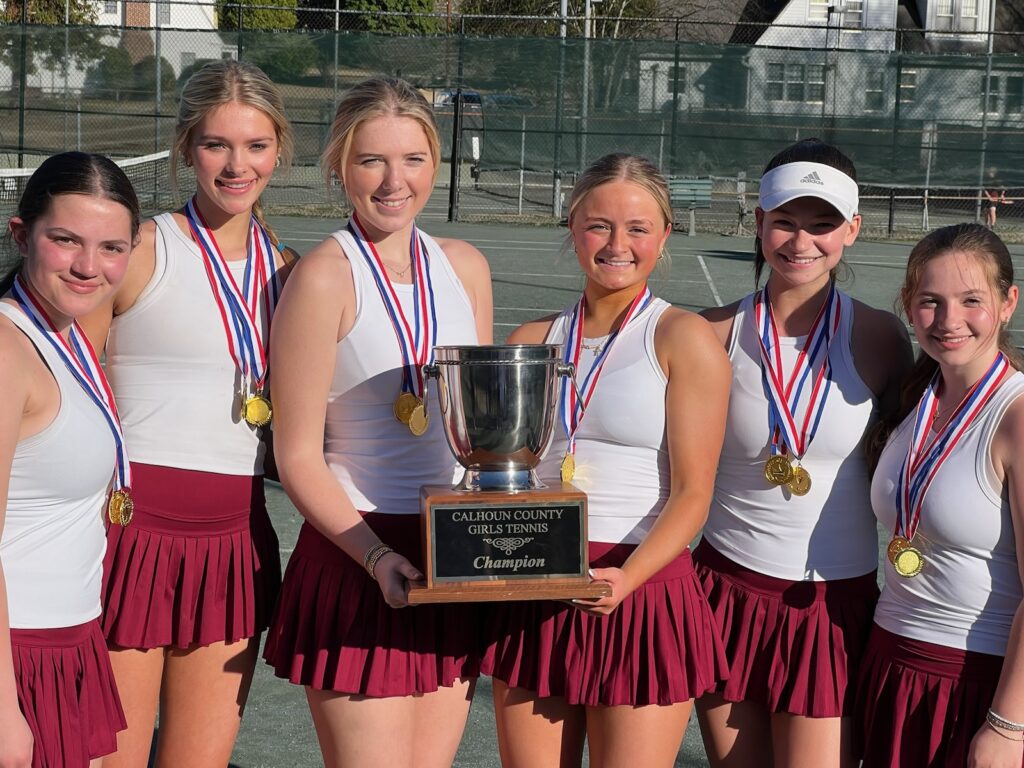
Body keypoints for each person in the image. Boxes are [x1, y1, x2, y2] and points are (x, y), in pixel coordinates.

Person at [262, 76, 493, 768]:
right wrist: (374, 556)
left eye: (414, 159)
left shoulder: (465, 267)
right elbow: (296, 453)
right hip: (360, 556)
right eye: (372, 161)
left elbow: (480, 437)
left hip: (450, 553)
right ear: (339, 168)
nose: (395, 181)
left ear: (436, 163)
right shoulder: (325, 276)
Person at [480, 153, 731, 768]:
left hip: (639, 591)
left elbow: (694, 493)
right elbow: (498, 476)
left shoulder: (682, 336)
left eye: (638, 229)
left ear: (665, 235)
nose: (617, 244)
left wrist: (629, 578)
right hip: (538, 584)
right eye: (599, 226)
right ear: (571, 227)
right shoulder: (530, 341)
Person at [79, 60, 295, 767]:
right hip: (131, 538)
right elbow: (72, 385)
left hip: (235, 542)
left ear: (280, 149)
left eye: (256, 146)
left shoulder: (293, 273)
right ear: (184, 149)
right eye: (216, 145)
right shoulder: (142, 248)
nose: (238, 166)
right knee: (112, 756)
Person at [694, 138, 913, 768]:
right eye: (785, 221)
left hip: (830, 607)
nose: (801, 241)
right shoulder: (709, 333)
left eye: (823, 225)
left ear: (853, 230)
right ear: (759, 221)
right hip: (725, 593)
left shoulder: (879, 335)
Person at [855, 223, 1024, 768]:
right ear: (909, 306)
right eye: (931, 302)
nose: (950, 321)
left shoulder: (1016, 417)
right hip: (890, 661)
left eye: (971, 300)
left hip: (975, 679)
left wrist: (1007, 726)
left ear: (1007, 303)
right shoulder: (915, 398)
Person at [0, 152, 140, 768]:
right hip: (19, 653)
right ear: (21, 233)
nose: (90, 266)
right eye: (66, 241)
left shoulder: (66, 334)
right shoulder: (6, 350)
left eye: (112, 247)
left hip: (71, 640)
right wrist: (5, 708)